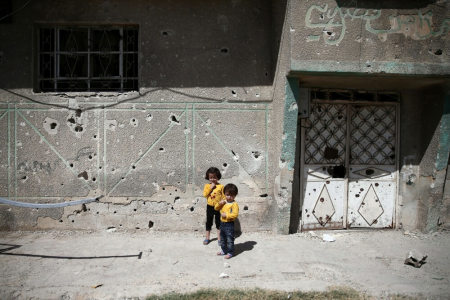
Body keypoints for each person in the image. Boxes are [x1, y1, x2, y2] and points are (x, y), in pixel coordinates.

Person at [214, 183, 239, 259]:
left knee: (229, 239)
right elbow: (216, 208)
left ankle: (230, 252)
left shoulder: (234, 204)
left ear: (235, 195)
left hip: (229, 224)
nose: (229, 197)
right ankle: (224, 250)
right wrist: (219, 203)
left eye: (232, 195)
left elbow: (235, 214)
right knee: (222, 238)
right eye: (227, 195)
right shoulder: (224, 202)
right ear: (224, 194)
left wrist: (227, 215)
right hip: (222, 223)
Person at [202, 167, 225, 245]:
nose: (212, 179)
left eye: (214, 177)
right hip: (210, 207)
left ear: (217, 177)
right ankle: (207, 238)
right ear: (208, 177)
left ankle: (219, 238)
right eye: (210, 177)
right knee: (209, 222)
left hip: (218, 207)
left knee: (219, 223)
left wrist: (223, 202)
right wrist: (210, 188)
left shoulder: (221, 186)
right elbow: (205, 195)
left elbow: (224, 196)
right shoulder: (207, 186)